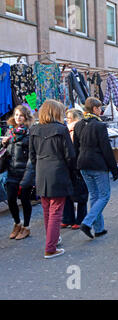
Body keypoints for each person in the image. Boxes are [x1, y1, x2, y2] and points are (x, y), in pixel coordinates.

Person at [29, 99, 76, 259]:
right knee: (56, 210)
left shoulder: (34, 129)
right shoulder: (61, 130)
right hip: (58, 171)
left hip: (41, 171)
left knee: (47, 208)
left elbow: (32, 156)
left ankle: (53, 239)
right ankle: (50, 247)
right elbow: (70, 155)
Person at [73, 97, 118, 239]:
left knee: (94, 196)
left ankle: (98, 228)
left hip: (83, 164)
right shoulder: (100, 126)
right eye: (99, 108)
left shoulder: (78, 125)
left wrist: (76, 167)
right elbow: (106, 149)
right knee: (104, 195)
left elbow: (75, 148)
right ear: (94, 109)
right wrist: (114, 168)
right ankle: (87, 222)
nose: (101, 110)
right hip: (98, 164)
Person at [2, 105, 34, 240]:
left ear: (26, 117)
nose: (18, 118)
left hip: (24, 172)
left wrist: (29, 173)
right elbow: (8, 153)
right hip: (11, 171)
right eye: (16, 115)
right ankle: (17, 223)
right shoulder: (11, 133)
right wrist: (4, 144)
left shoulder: (29, 133)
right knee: (10, 199)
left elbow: (32, 155)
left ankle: (26, 227)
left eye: (21, 115)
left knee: (25, 200)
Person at [61, 109, 87, 230]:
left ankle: (80, 219)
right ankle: (68, 218)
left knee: (81, 193)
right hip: (67, 164)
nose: (67, 120)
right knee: (67, 192)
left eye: (69, 118)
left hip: (77, 163)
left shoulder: (81, 129)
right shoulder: (65, 130)